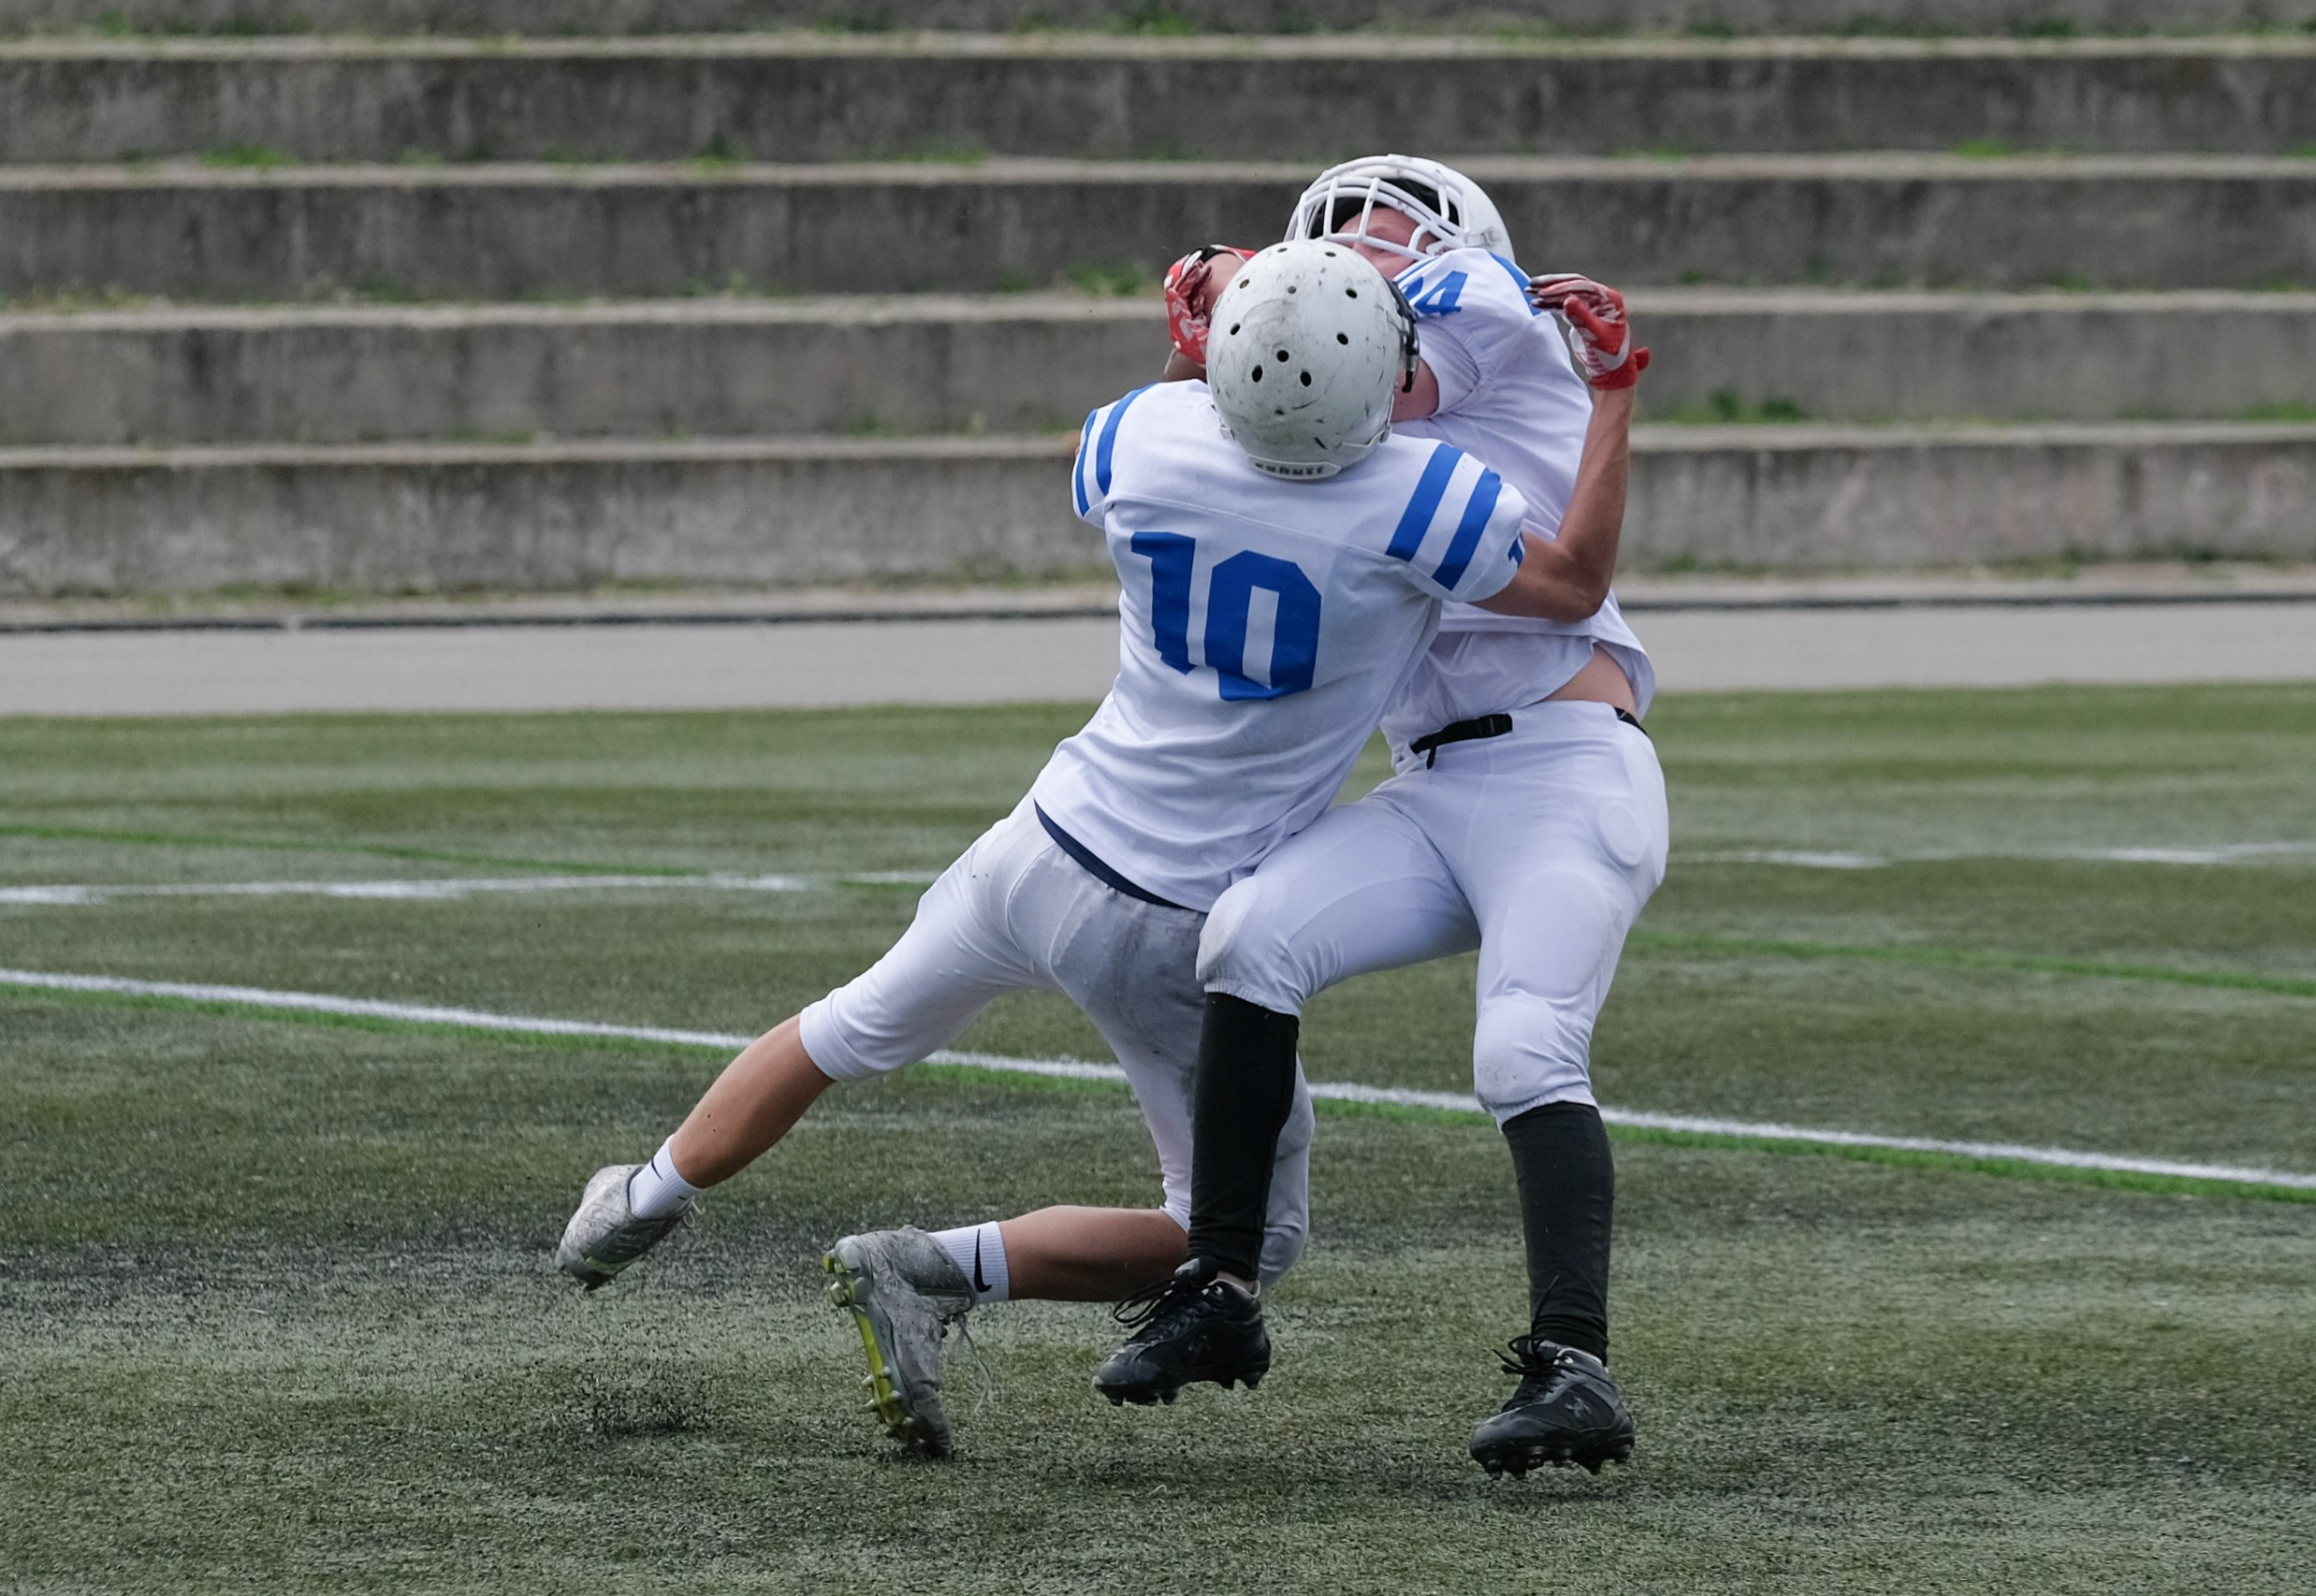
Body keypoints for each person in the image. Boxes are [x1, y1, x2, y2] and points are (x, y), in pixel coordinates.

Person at [551, 238, 1628, 1458]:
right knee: (1242, 1240)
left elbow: (1166, 422)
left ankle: (640, 1196)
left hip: (1044, 840)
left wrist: (1192, 342)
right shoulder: (1420, 495)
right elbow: (1574, 585)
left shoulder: (1141, 437)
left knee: (845, 1027)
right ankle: (927, 1268)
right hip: (1173, 917)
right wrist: (1611, 394)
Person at [1094, 156, 1668, 1482]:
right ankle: (1220, 1287)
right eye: (1340, 233)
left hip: (1567, 766)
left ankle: (1575, 1361)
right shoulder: (1316, 413)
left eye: (1386, 232)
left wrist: (1232, 285)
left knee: (1523, 1047)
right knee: (1247, 938)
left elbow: (1369, 349)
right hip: (1432, 783)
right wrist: (1200, 333)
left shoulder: (1485, 317)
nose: (1362, 249)